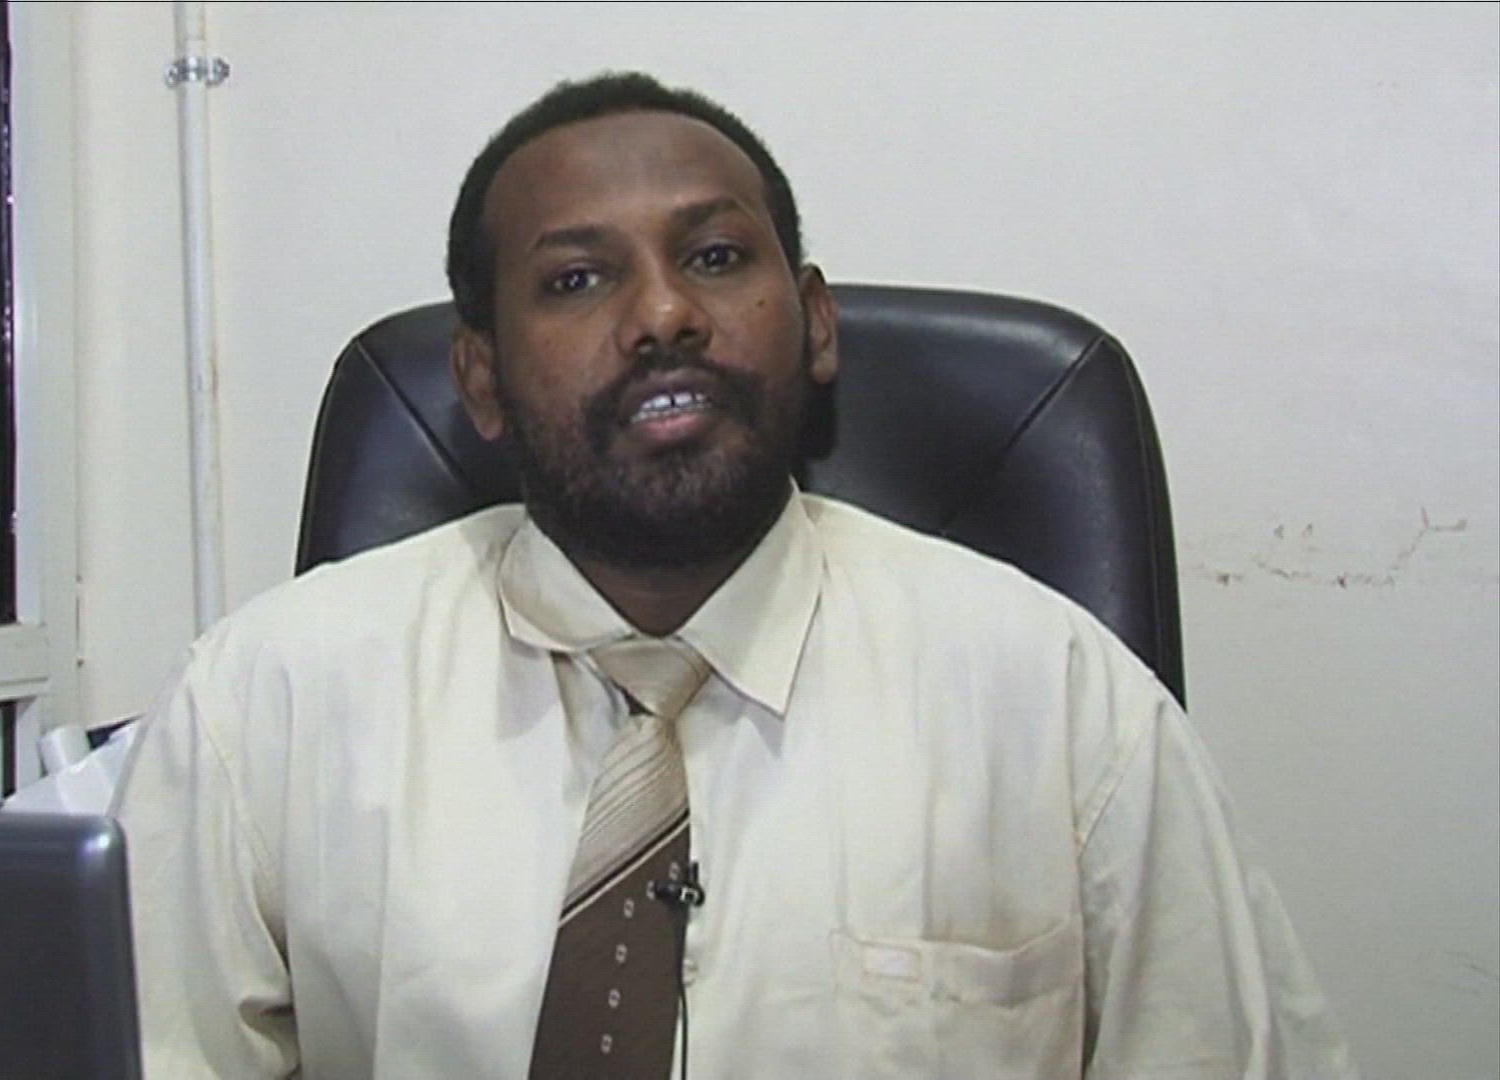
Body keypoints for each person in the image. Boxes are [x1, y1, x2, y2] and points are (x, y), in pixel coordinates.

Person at [113, 72, 1357, 1079]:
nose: (663, 315)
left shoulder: (1059, 703)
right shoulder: (269, 702)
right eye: (577, 279)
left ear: (815, 325)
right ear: (481, 379)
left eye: (713, 258)